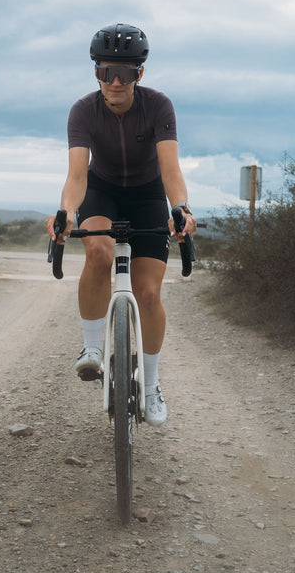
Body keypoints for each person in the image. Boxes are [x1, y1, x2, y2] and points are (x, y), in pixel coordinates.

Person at [46, 23, 198, 426]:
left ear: (139, 75)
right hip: (103, 191)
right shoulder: (83, 110)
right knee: (98, 250)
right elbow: (78, 175)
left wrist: (180, 208)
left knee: (148, 294)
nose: (115, 81)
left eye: (126, 73)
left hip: (148, 195)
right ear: (96, 72)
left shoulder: (158, 106)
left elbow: (170, 169)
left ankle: (150, 385)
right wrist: (65, 212)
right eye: (106, 72)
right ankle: (92, 348)